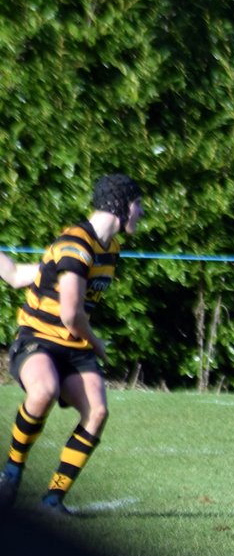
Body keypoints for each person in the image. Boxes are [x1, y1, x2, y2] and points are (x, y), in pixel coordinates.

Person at [1, 173, 144, 514]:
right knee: (44, 390)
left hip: (74, 347)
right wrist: (97, 343)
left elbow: (21, 275)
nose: (141, 212)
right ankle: (12, 472)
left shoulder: (110, 248)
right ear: (121, 205)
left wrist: (85, 342)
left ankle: (53, 499)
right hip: (38, 339)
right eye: (138, 205)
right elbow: (70, 315)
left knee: (97, 412)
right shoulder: (75, 244)